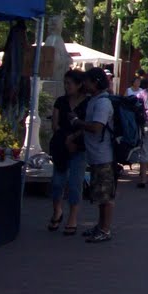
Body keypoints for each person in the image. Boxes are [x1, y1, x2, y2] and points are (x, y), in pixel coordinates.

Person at [71, 67, 114, 244]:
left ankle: (105, 229)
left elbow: (97, 126)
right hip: (95, 154)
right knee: (98, 194)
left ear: (95, 82)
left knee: (105, 196)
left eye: (87, 81)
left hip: (104, 155)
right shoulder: (94, 100)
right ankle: (100, 226)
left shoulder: (103, 103)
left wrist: (77, 122)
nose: (85, 85)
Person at [48, 69, 87, 236]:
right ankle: (57, 210)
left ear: (79, 85)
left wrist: (74, 137)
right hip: (61, 146)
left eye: (69, 83)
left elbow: (89, 125)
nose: (66, 86)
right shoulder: (61, 101)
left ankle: (73, 217)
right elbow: (55, 124)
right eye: (65, 83)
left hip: (79, 147)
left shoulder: (87, 103)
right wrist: (65, 137)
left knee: (75, 183)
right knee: (57, 181)